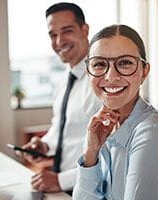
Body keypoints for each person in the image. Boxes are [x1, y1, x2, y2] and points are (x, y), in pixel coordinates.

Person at [73, 24, 158, 200]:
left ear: (144, 71)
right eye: (100, 64)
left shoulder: (155, 132)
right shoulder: (105, 130)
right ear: (88, 72)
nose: (110, 76)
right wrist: (90, 154)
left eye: (125, 63)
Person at [16, 2, 101, 193]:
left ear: (85, 30)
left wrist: (61, 180)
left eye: (67, 31)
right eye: (53, 35)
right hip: (61, 186)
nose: (59, 41)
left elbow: (111, 152)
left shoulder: (103, 81)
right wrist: (45, 146)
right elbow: (62, 128)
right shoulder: (63, 82)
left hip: (89, 188)